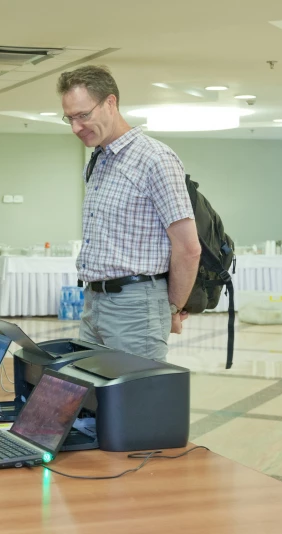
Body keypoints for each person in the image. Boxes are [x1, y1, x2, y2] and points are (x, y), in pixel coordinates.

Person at [57, 65, 201, 361]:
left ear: (111, 103)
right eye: (69, 118)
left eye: (83, 115)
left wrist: (171, 308)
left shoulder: (155, 159)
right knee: (94, 400)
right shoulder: (97, 160)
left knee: (136, 402)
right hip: (94, 302)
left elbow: (188, 248)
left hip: (136, 306)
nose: (75, 127)